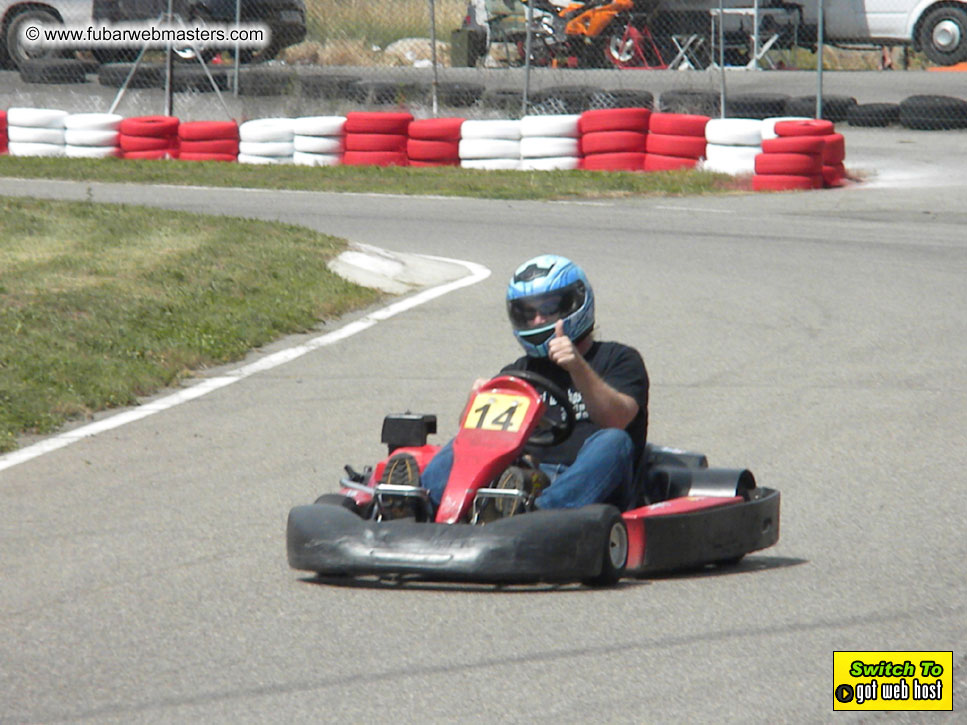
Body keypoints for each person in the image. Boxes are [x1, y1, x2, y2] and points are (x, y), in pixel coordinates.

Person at [379, 254, 649, 515]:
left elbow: (616, 418)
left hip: (588, 485)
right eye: (529, 312)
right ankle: (417, 504)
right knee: (463, 442)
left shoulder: (619, 359)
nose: (538, 320)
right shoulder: (518, 373)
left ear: (575, 303)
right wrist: (475, 402)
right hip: (522, 477)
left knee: (614, 441)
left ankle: (539, 514)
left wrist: (576, 366)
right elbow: (476, 438)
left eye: (549, 309)